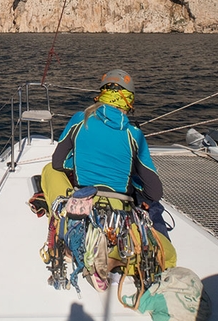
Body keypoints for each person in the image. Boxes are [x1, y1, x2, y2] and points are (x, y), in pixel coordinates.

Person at [41, 68, 169, 236]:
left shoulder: (80, 120)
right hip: (120, 211)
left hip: (83, 204)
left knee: (49, 170)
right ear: (129, 100)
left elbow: (59, 163)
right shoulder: (134, 134)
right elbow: (155, 192)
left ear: (102, 94)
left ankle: (58, 217)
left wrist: (82, 162)